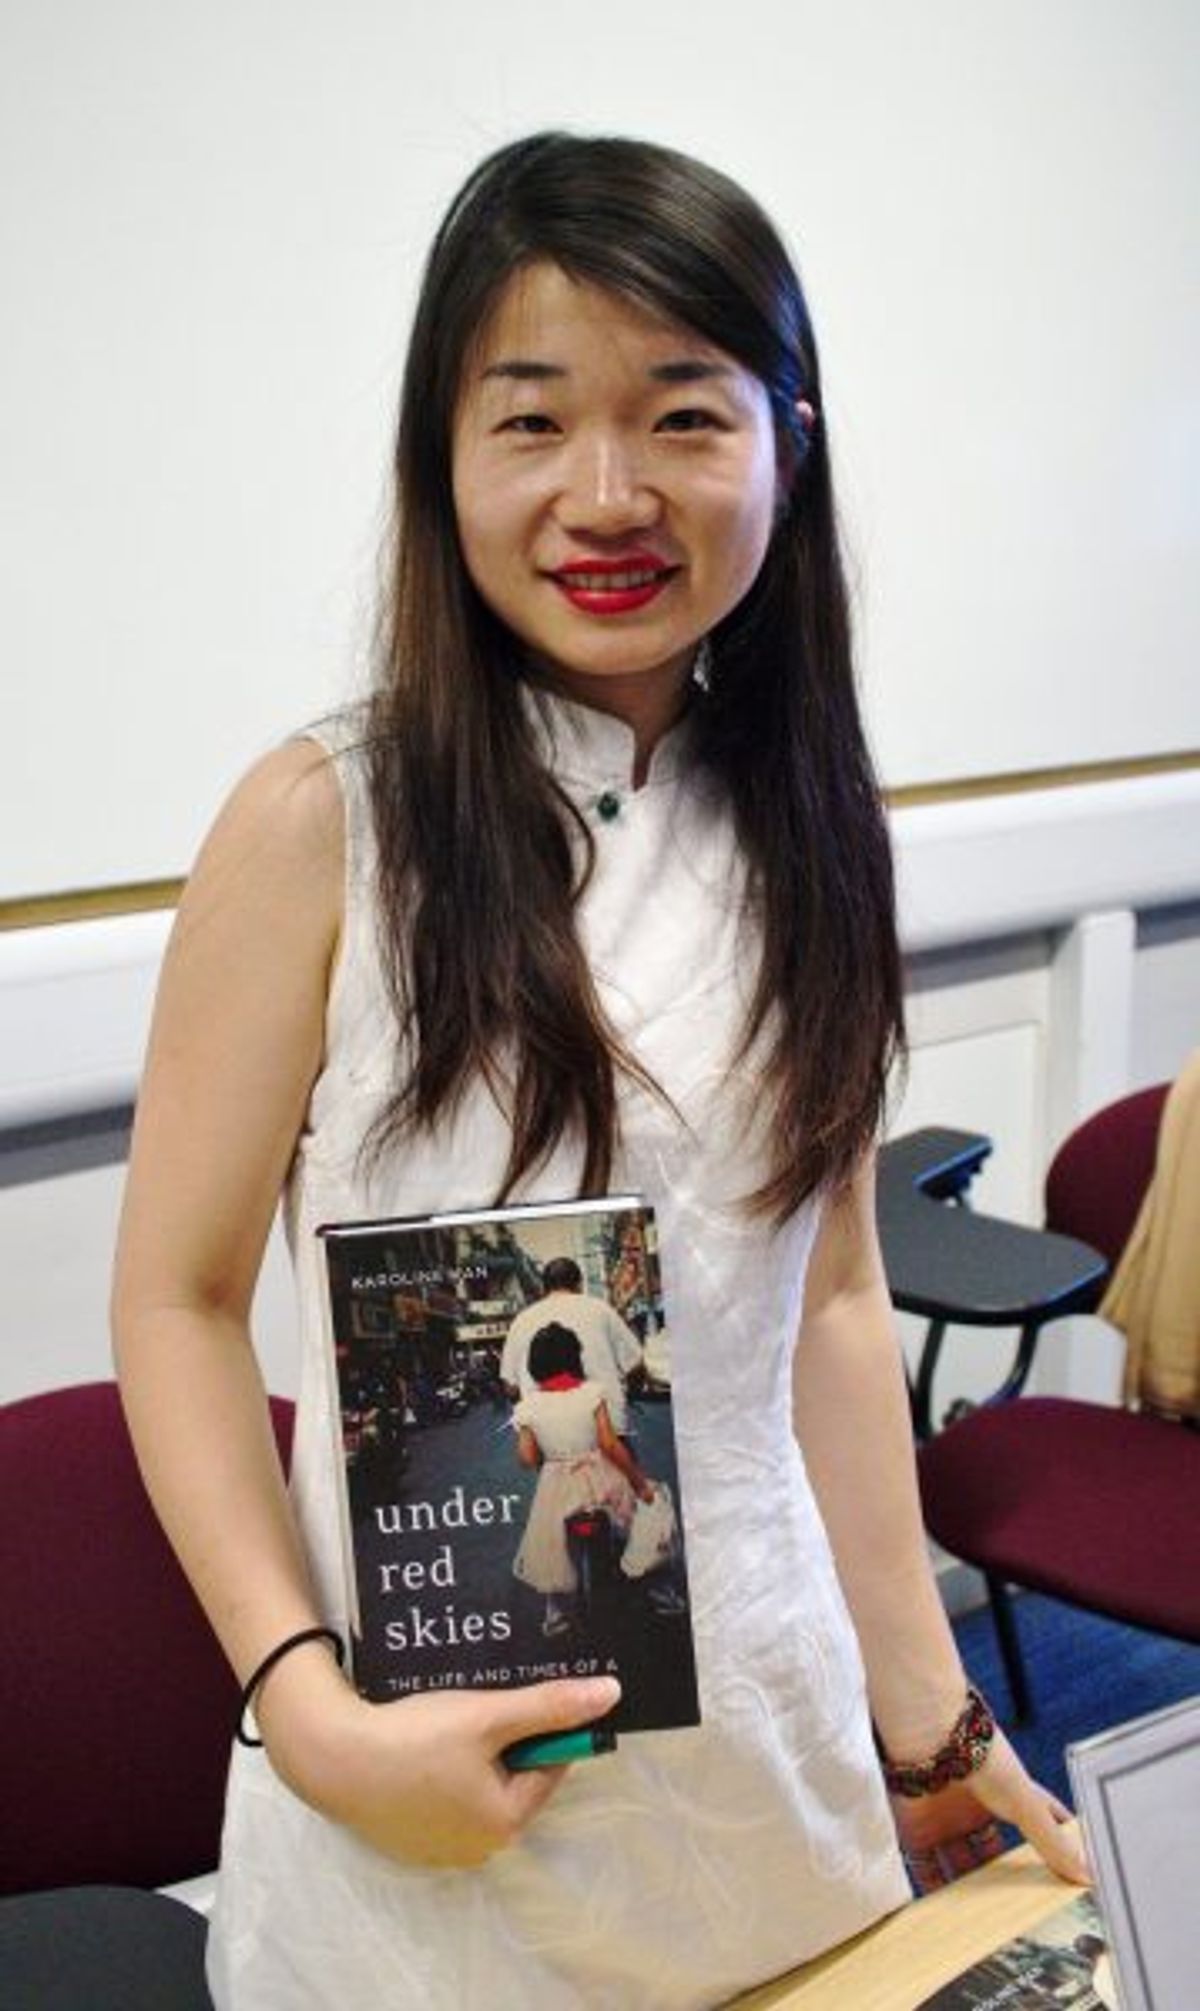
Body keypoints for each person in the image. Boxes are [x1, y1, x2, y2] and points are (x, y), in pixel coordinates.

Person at [111, 131, 1088, 2009]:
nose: (609, 493)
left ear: (788, 444)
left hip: (772, 1762)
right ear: (444, 458)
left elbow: (830, 1297)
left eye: (685, 416)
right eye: (534, 420)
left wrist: (931, 1714)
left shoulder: (813, 823)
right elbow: (177, 1299)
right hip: (429, 1801)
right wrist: (301, 1706)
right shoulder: (324, 820)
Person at [511, 1320, 653, 1636]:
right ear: (575, 1357)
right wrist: (639, 1483)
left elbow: (528, 1458)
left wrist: (546, 1450)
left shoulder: (527, 1407)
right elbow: (610, 1444)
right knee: (631, 1524)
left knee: (551, 1547)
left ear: (535, 1365)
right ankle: (650, 1585)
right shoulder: (592, 1393)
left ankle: (554, 1612)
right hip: (601, 1478)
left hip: (556, 1486)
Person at [501, 1254, 644, 1430]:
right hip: (605, 1425)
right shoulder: (600, 1310)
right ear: (579, 1284)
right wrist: (629, 1395)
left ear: (544, 1288)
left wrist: (528, 1407)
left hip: (544, 1432)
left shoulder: (521, 1320)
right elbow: (635, 1364)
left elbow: (510, 1387)